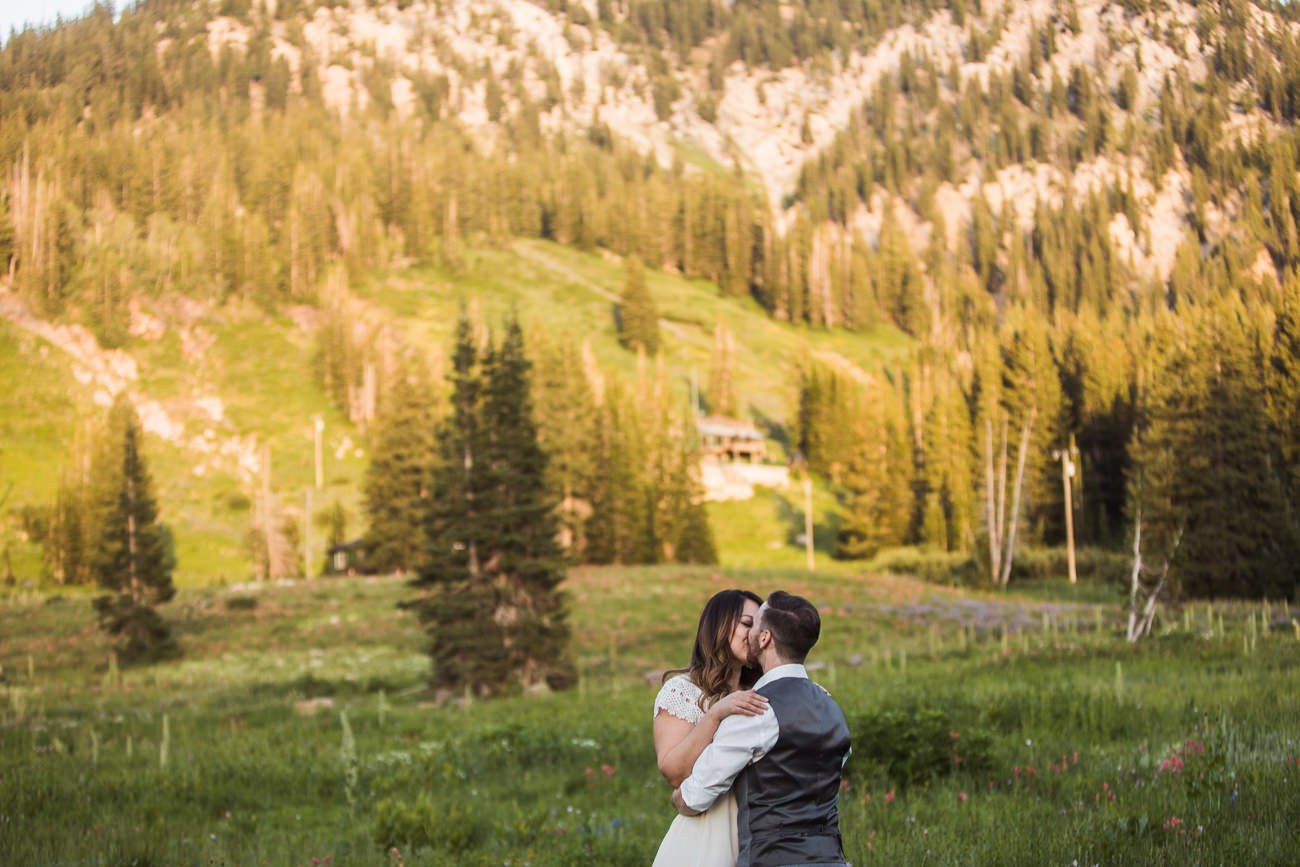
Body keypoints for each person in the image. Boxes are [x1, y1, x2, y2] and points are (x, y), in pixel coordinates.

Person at [672, 590, 851, 867]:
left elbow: (696, 796)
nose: (749, 632)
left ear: (765, 638)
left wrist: (678, 797)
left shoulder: (755, 710)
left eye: (754, 624)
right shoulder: (832, 708)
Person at [652, 589, 769, 867]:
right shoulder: (682, 691)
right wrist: (715, 715)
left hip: (762, 835)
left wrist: (806, 695)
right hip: (707, 834)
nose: (754, 635)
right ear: (719, 625)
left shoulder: (762, 691)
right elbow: (674, 772)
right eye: (747, 624)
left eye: (760, 627)